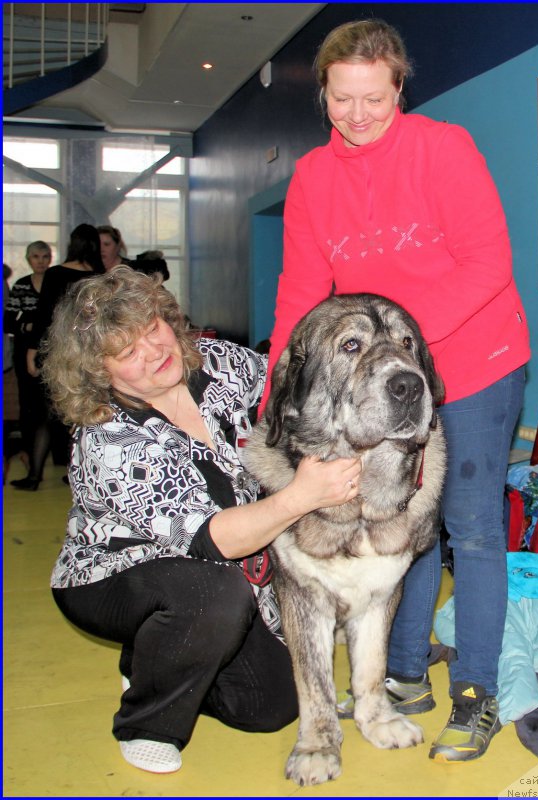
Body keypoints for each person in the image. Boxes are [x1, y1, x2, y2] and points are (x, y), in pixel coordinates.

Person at [259, 19, 530, 763]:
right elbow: (304, 293)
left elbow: (489, 265)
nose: (357, 115)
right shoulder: (314, 177)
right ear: (324, 93)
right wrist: (278, 388)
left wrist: (397, 345)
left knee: (468, 527)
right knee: (391, 517)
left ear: (399, 86)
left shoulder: (444, 150)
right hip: (386, 376)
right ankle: (401, 675)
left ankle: (477, 692)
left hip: (475, 360)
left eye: (372, 98)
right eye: (341, 99)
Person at [40, 265, 362, 775]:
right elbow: (218, 541)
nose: (154, 352)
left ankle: (152, 660)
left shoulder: (219, 362)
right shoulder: (107, 439)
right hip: (118, 575)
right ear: (100, 372)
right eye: (128, 353)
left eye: (153, 329)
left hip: (228, 565)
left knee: (272, 708)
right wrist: (303, 496)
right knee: (212, 590)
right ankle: (147, 721)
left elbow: (295, 388)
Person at [12, 224, 105, 490]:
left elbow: (44, 317)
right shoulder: (100, 275)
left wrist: (32, 352)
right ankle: (80, 475)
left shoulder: (55, 274)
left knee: (44, 415)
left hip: (57, 351)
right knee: (81, 417)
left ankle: (34, 476)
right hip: (88, 352)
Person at [4, 241, 52, 467]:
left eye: (44, 256)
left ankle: (56, 453)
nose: (40, 261)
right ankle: (27, 448)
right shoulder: (21, 286)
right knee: (27, 403)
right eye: (36, 257)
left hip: (51, 349)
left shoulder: (55, 282)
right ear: (28, 259)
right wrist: (28, 326)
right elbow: (8, 321)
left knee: (52, 403)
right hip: (24, 349)